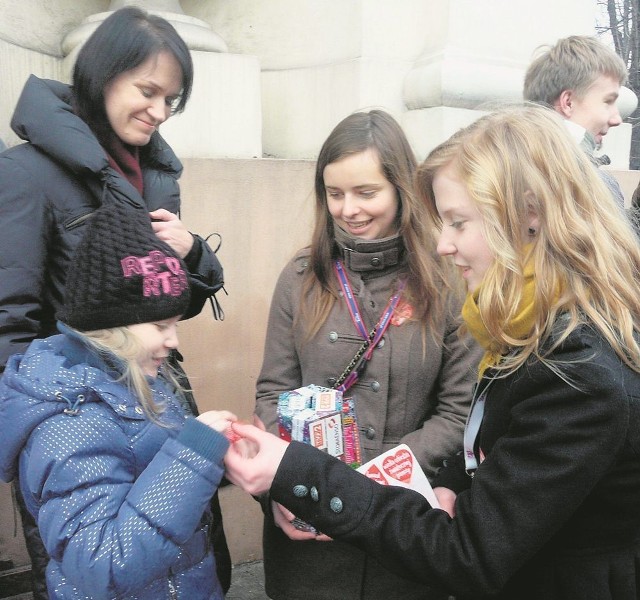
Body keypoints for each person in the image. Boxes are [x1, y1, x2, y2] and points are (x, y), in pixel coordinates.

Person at [225, 104, 640, 600]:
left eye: (459, 222)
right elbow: (507, 463)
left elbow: (472, 544)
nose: (445, 243)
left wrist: (326, 479)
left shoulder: (575, 369)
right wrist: (458, 488)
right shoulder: (532, 324)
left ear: (528, 215)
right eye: (335, 194)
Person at [0, 7, 229, 598]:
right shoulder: (26, 173)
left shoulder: (152, 173)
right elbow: (10, 317)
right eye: (147, 90)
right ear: (103, 76)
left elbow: (160, 298)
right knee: (96, 575)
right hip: (77, 424)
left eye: (171, 99)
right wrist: (42, 423)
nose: (159, 111)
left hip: (156, 399)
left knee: (184, 559)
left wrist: (193, 252)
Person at [253, 109, 481, 600]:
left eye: (366, 193)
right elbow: (273, 394)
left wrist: (375, 480)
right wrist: (282, 487)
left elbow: (459, 411)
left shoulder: (449, 281)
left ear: (401, 188)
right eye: (334, 194)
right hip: (309, 529)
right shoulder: (300, 277)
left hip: (403, 525)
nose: (348, 209)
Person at [0, 193, 235, 599]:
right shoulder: (69, 425)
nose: (173, 341)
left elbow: (152, 467)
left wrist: (219, 458)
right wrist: (194, 458)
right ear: (111, 327)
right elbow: (103, 562)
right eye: (161, 325)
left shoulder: (137, 376)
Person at [523, 35, 628, 207]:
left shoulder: (492, 169)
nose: (617, 119)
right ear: (568, 103)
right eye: (608, 101)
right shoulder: (595, 188)